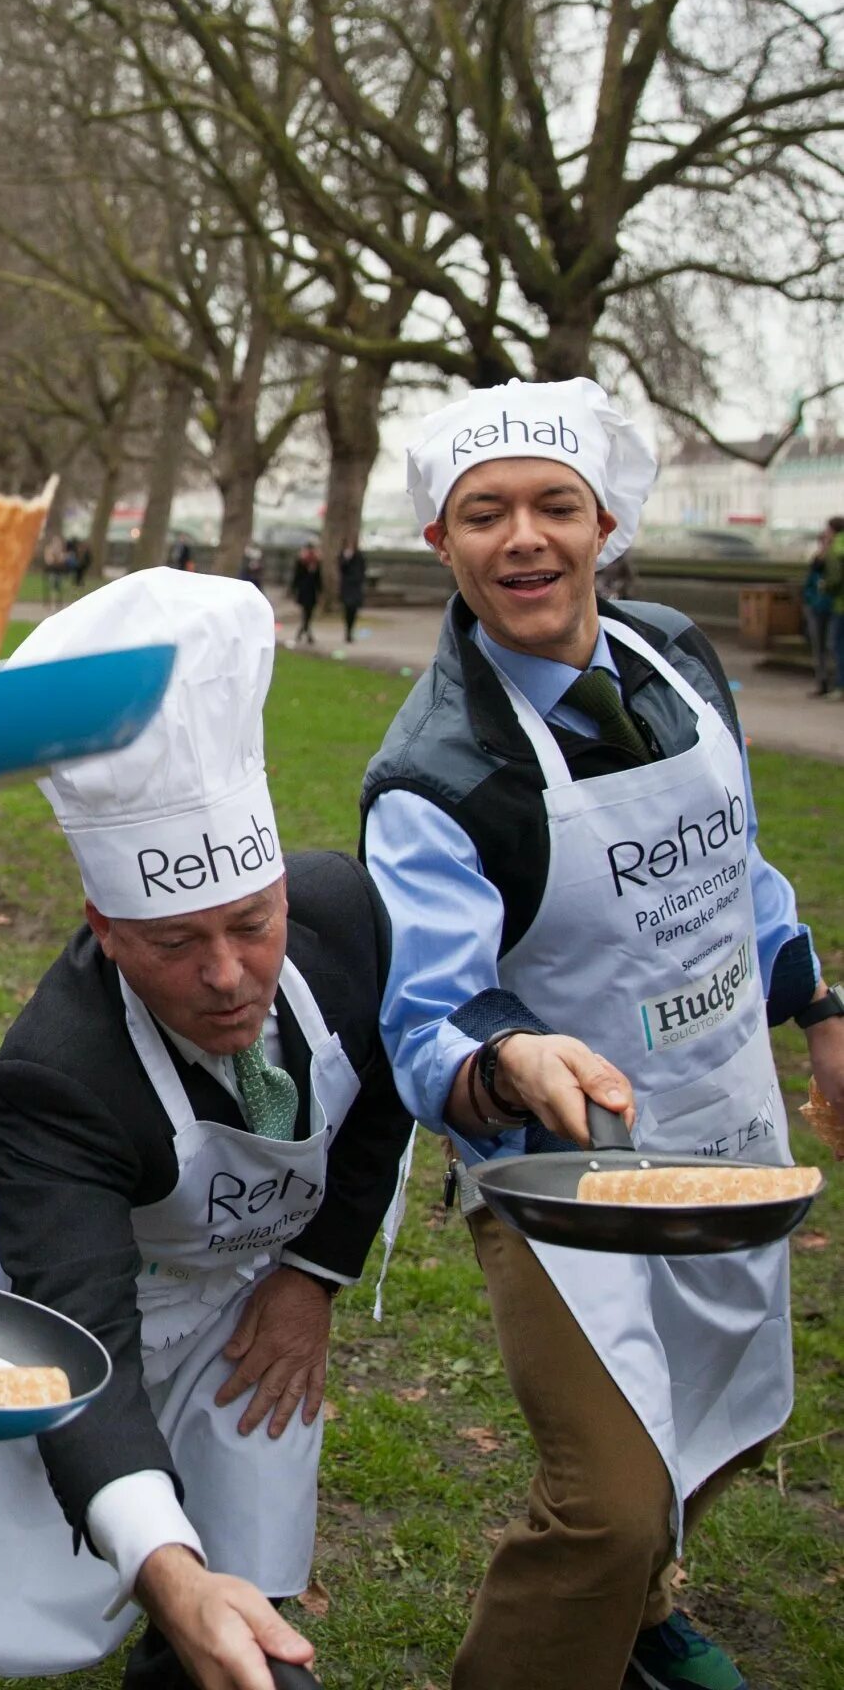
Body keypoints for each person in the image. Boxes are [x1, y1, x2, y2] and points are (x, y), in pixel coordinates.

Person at [363, 378, 844, 1690]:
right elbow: (425, 1008)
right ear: (440, 545)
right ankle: (593, 1608)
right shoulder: (438, 773)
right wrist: (508, 1055)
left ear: (607, 522)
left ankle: (637, 1618)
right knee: (607, 1502)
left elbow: (735, 872)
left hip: (726, 1123)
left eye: (554, 506)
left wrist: (819, 1012)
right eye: (485, 514)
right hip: (565, 1177)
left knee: (737, 1418)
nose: (524, 537)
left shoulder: (679, 659)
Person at [0, 571, 411, 1690]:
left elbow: (380, 1094)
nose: (229, 975)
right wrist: (170, 1573)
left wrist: (312, 1274)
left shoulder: (346, 918)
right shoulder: (60, 1077)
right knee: (95, 1558)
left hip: (248, 1277)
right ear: (104, 925)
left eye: (250, 921)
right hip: (84, 1283)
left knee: (249, 1562)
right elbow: (77, 1349)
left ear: (284, 884)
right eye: (175, 941)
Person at [809, 516, 844, 697]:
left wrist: (825, 587)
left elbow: (832, 579)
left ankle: (835, 684)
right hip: (830, 605)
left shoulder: (835, 551)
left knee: (833, 645)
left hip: (834, 604)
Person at [288, 544, 324, 647]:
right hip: (304, 591)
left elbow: (318, 579)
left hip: (312, 591)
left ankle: (303, 632)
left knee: (309, 613)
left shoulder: (316, 563)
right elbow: (297, 576)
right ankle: (307, 633)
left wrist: (320, 591)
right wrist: (294, 589)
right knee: (305, 612)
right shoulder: (301, 562)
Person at [335, 539, 367, 643]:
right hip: (347, 588)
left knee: (354, 610)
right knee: (347, 609)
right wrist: (347, 559)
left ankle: (350, 631)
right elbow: (341, 568)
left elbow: (362, 570)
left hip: (356, 587)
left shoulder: (359, 557)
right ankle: (347, 631)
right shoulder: (343, 557)